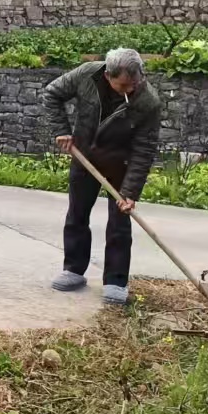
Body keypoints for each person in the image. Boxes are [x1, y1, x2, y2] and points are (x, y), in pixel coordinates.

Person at [43, 46, 162, 306]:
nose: (130, 90)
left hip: (121, 164)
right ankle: (73, 270)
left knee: (120, 223)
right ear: (108, 76)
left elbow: (144, 149)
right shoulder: (87, 75)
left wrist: (130, 193)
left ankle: (116, 281)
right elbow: (52, 93)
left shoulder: (148, 102)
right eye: (123, 85)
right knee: (77, 214)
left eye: (135, 83)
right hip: (84, 156)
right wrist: (62, 131)